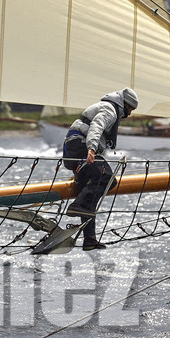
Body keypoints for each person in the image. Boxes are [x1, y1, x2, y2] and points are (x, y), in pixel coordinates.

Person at [52, 87, 137, 252]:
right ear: (125, 105)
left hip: (73, 147)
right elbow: (96, 126)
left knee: (88, 195)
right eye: (131, 109)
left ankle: (89, 240)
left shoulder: (107, 107)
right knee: (107, 178)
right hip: (81, 146)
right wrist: (91, 149)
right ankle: (78, 205)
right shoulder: (110, 110)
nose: (130, 114)